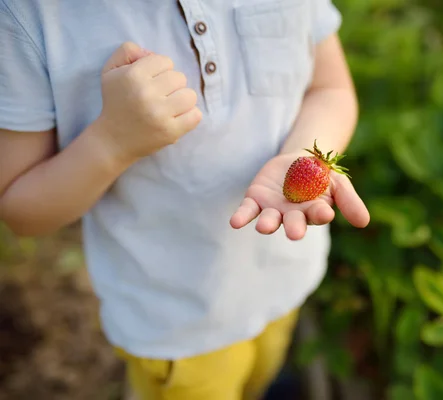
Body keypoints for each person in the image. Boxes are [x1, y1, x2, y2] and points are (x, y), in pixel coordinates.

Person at [0, 1, 370, 399]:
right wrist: (112, 141)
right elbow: (19, 207)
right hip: (177, 326)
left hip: (284, 277)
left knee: (262, 374)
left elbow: (329, 87)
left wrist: (301, 152)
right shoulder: (28, 16)